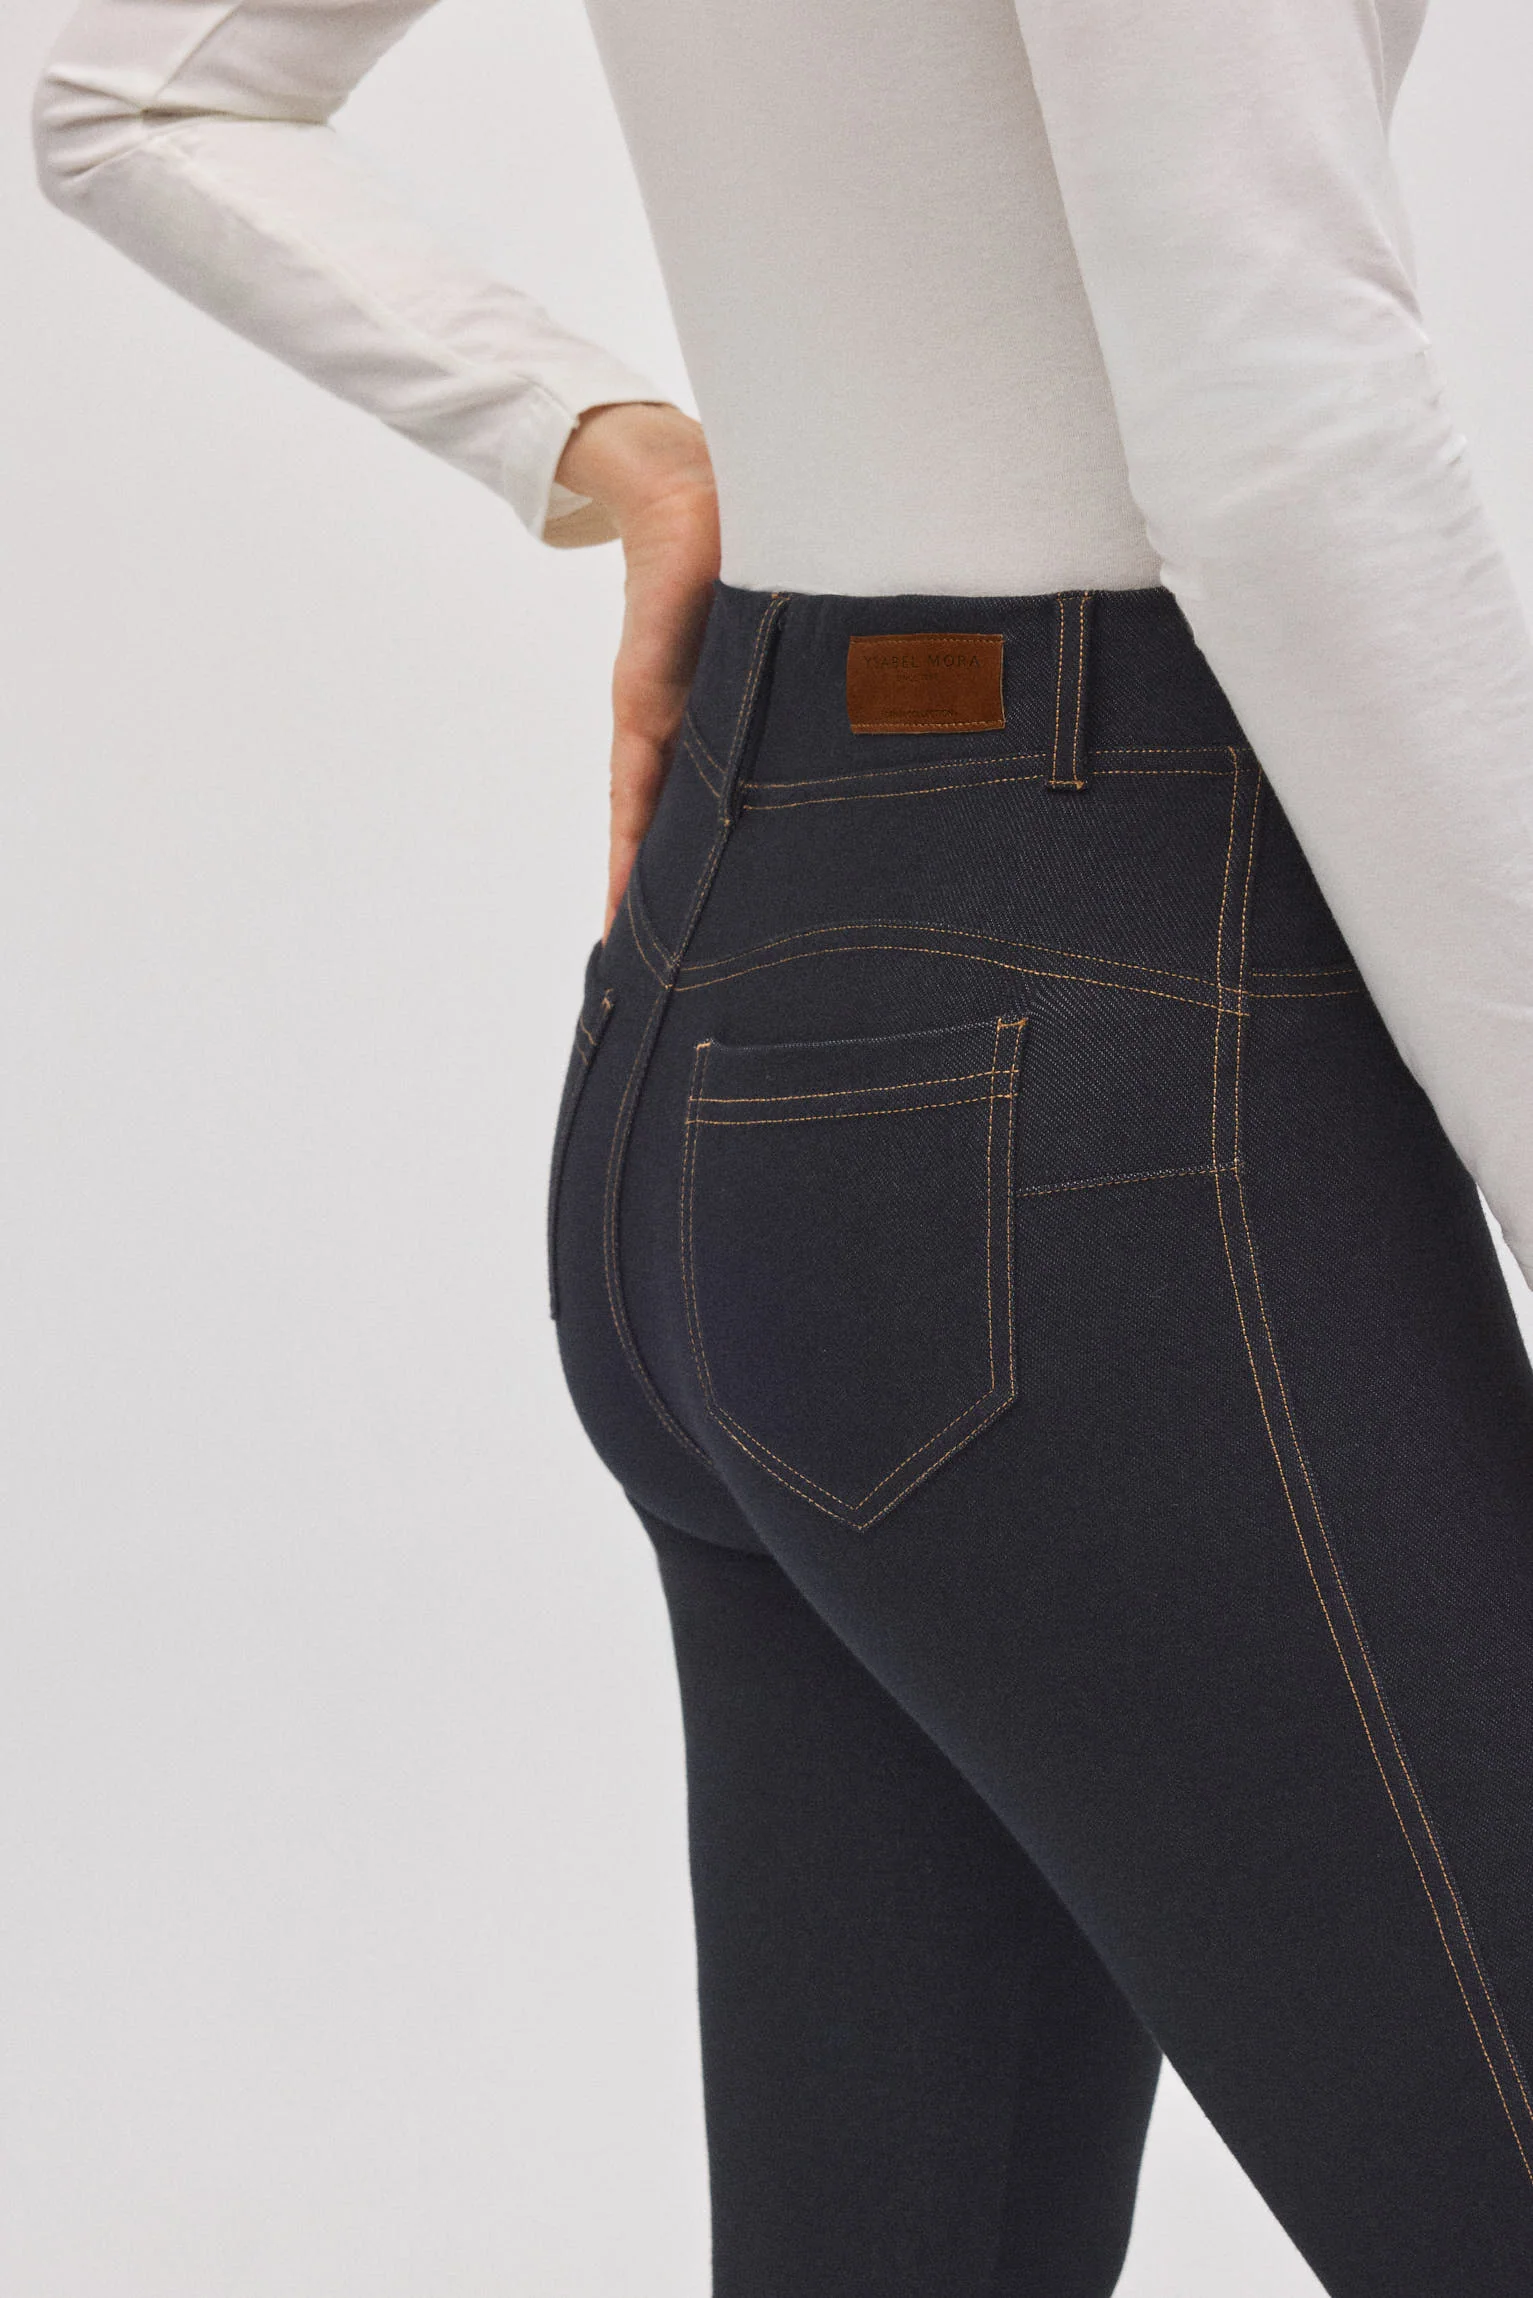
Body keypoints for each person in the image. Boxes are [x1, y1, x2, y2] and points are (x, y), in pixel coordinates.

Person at [30, 1, 1533, 2289]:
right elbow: (1279, 428)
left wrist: (607, 445)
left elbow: (139, 89)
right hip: (1103, 1092)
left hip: (740, 1002)